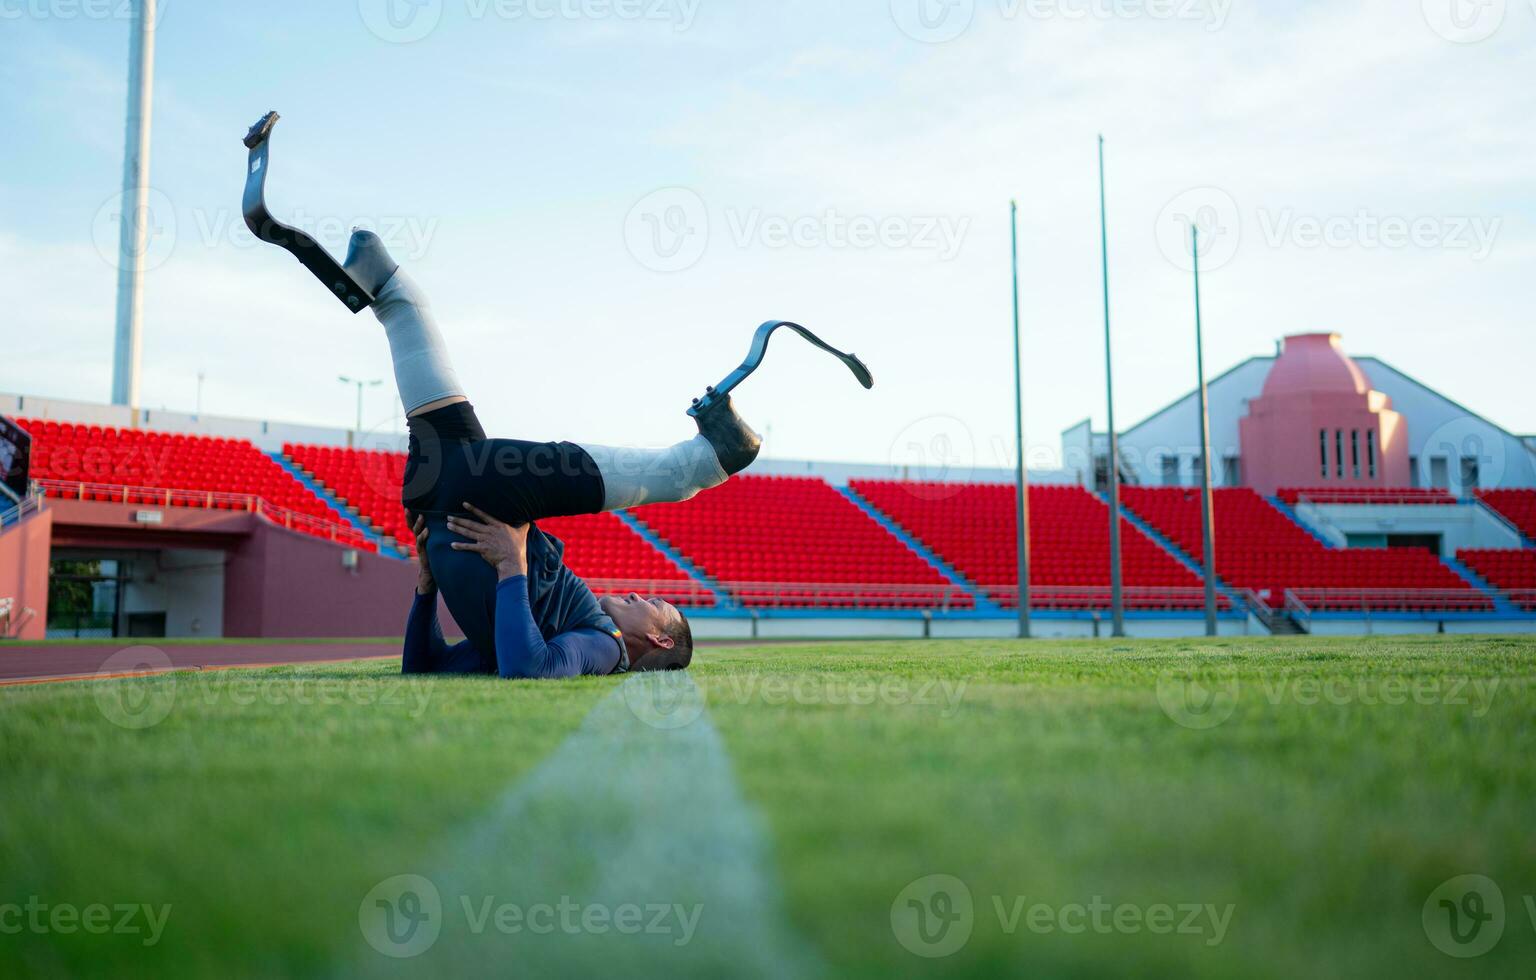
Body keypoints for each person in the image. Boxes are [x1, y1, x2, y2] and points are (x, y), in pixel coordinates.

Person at [342, 230, 762, 679]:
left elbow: (511, 668)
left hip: (487, 496)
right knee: (403, 316)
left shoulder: (606, 644)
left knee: (674, 477)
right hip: (438, 496)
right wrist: (435, 581)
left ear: (659, 640)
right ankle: (386, 287)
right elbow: (434, 666)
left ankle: (708, 462)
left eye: (655, 604)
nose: (640, 595)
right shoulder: (547, 627)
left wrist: (482, 572)